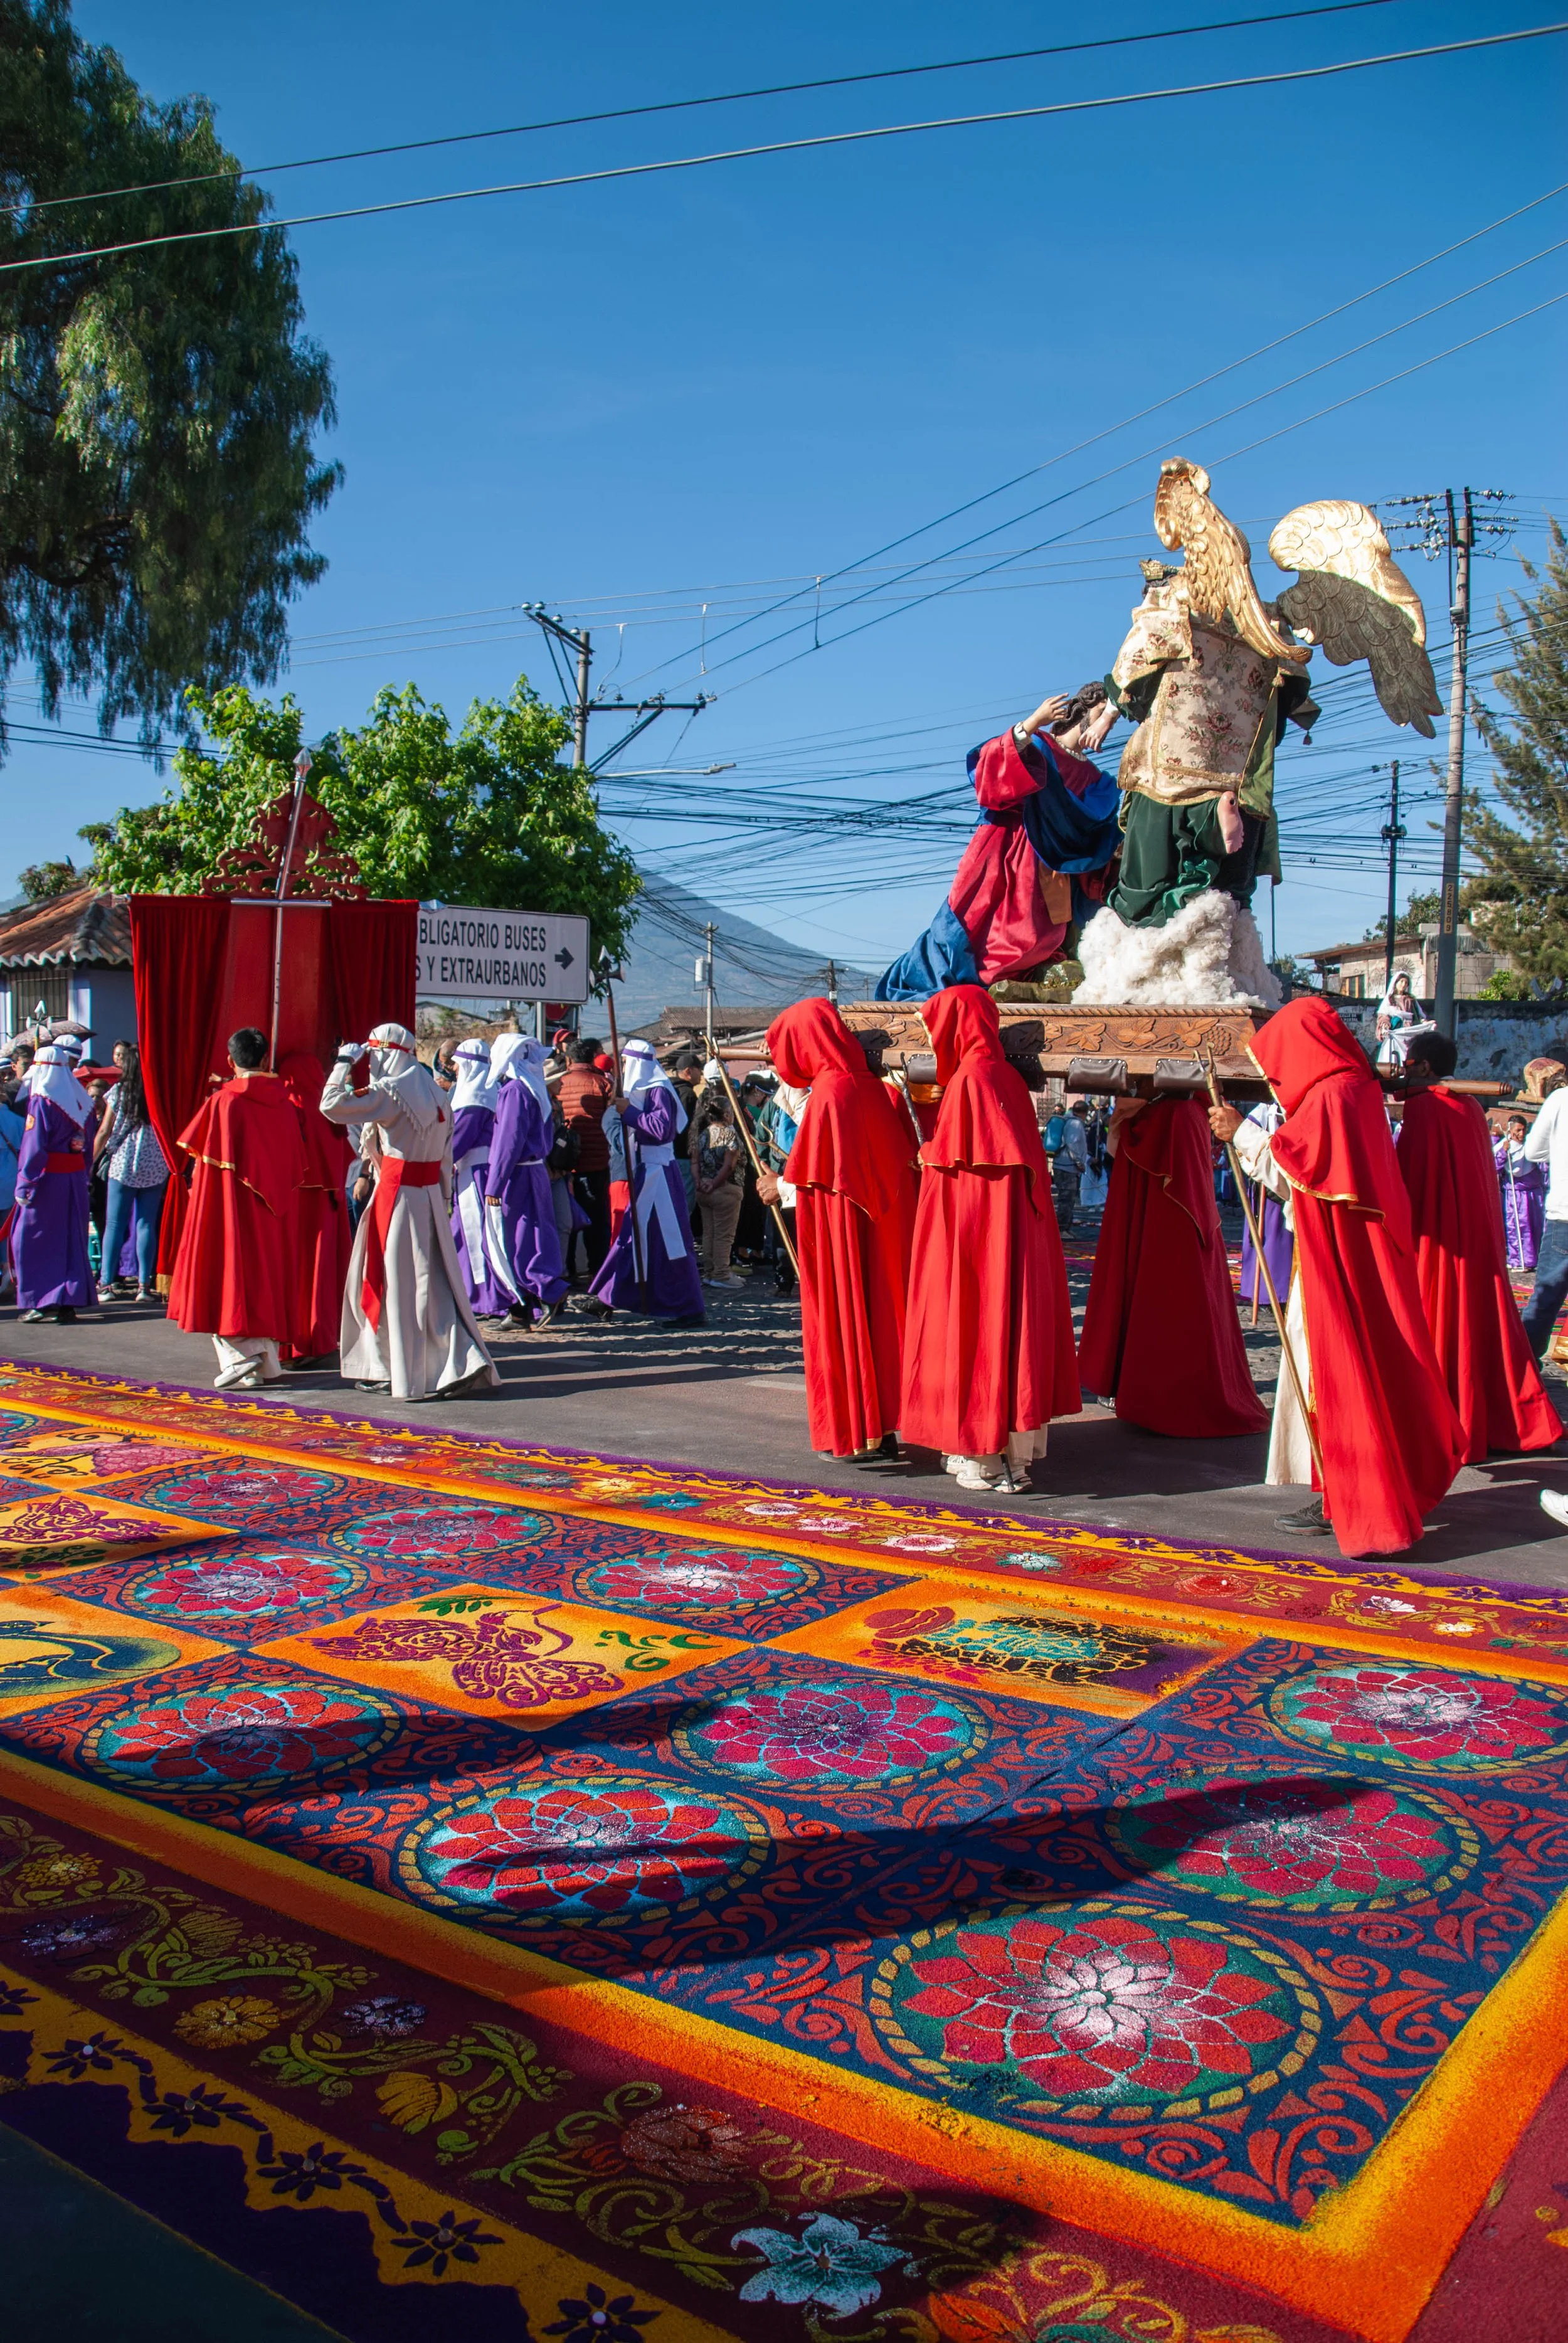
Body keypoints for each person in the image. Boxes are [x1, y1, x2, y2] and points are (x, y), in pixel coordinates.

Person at [1212, 997, 1464, 1556]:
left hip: (1342, 1265)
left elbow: (1304, 1174)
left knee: (1338, 1373)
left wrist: (1242, 1134)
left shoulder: (1334, 1095)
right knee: (1344, 1372)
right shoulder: (1355, 1088)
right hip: (1344, 1256)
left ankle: (1357, 1495)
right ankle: (1340, 1488)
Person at [900, 986, 1080, 1492]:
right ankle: (1005, 1455)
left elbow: (967, 1169)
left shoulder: (971, 1080)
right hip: (1007, 1235)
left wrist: (928, 1153)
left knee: (978, 1328)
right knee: (1005, 1327)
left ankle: (983, 1454)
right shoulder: (1005, 1078)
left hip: (978, 1238)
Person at [758, 998, 919, 1459]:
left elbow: (822, 1179)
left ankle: (857, 1430)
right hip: (879, 1232)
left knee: (845, 1320)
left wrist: (779, 1185)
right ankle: (880, 1425)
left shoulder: (831, 1093)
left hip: (839, 1234)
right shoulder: (871, 1087)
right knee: (876, 1323)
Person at [1394, 1031, 1559, 1464]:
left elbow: (1408, 1185)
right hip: (1476, 1242)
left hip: (1441, 1245)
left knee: (1443, 1328)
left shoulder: (1428, 1108)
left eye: (1408, 1063)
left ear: (1425, 1067)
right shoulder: (1468, 1106)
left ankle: (1450, 1421)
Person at [320, 1023, 499, 1400]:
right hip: (430, 1195)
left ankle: (397, 1370)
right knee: (433, 1287)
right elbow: (445, 1158)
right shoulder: (437, 1092)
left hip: (397, 1195)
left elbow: (332, 1105)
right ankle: (456, 1360)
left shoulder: (390, 1091)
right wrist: (444, 1198)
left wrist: (342, 1063)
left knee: (393, 1285)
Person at [1078, 1092, 1268, 1441]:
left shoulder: (1176, 1114)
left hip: (1176, 1231)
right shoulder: (1180, 1111)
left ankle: (1161, 1395)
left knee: (1171, 1293)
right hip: (1167, 1221)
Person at [166, 1027, 307, 1387]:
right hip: (273, 1210)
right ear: (265, 1059)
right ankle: (265, 1363)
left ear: (231, 1061)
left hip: (227, 1206)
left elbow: (203, 1168)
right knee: (263, 1276)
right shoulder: (287, 1104)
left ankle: (240, 1354)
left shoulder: (222, 1103)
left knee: (225, 1271)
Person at [586, 1039, 704, 1322]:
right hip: (649, 1170)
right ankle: (609, 1297)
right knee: (639, 1237)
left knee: (666, 1242)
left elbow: (662, 1129)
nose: (625, 1068)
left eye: (627, 1062)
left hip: (658, 1173)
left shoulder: (658, 1090)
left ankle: (686, 1306)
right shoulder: (649, 1090)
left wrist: (629, 1112)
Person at [275, 1049, 354, 1365]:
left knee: (298, 1273)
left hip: (298, 1204)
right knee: (323, 1271)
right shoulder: (329, 1109)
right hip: (329, 1202)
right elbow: (347, 1154)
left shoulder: (291, 1106)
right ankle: (321, 1338)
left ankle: (295, 1343)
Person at [485, 1034, 568, 1325]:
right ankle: (521, 1307)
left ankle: (546, 1292)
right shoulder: (533, 1088)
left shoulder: (514, 1092)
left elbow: (508, 1142)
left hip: (517, 1175)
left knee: (516, 1240)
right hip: (534, 1170)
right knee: (533, 1234)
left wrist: (494, 1184)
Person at [10, 1041, 95, 1324]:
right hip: (73, 1180)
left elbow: (35, 1147)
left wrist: (25, 1183)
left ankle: (42, 1300)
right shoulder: (82, 1100)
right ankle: (69, 1299)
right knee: (72, 1238)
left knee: (35, 1240)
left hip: (47, 1181)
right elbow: (88, 1146)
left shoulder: (42, 1101)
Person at [93, 1042, 170, 1305]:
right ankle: (144, 1285)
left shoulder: (120, 1091)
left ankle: (106, 1283)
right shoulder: (159, 1092)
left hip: (124, 1161)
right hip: (155, 1162)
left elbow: (105, 1130)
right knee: (146, 1223)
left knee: (114, 1223)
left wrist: (90, 1161)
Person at [445, 1036, 507, 1319]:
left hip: (475, 1173)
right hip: (476, 1169)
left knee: (473, 1233)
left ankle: (483, 1298)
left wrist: (439, 1161)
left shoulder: (474, 1099)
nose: (455, 1070)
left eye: (457, 1065)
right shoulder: (488, 1090)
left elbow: (460, 1140)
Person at [556, 1039, 613, 1277]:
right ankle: (597, 1271)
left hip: (562, 1165)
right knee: (597, 1222)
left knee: (565, 1221)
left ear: (569, 1060)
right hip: (597, 1163)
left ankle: (567, 1270)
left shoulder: (558, 1084)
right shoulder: (603, 1084)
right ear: (593, 1059)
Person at [1520, 1076, 1568, 1360]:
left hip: (1564, 1214)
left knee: (1547, 1298)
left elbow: (1534, 1152)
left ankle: (1524, 1369)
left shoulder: (1561, 1099)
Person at [694, 1090, 744, 1288]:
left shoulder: (704, 1133)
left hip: (704, 1190)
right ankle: (722, 1274)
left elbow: (695, 1161)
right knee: (724, 1234)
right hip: (725, 1189)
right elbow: (729, 1165)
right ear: (726, 1114)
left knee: (709, 1233)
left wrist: (699, 1182)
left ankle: (710, 1272)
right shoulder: (729, 1133)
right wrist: (715, 1183)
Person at [1496, 1112, 1546, 1272]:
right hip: (1515, 1194)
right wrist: (1504, 1152)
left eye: (1524, 1130)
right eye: (1518, 1130)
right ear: (1510, 1131)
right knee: (1518, 1227)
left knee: (1536, 1226)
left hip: (1533, 1192)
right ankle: (1519, 1259)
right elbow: (1495, 1167)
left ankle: (1535, 1258)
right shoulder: (1504, 1145)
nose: (1521, 1134)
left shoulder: (1530, 1144)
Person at [1050, 1098, 1089, 1233]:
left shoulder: (1067, 1120)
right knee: (1067, 1199)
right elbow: (1072, 1143)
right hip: (1068, 1166)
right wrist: (1079, 1162)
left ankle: (1065, 1228)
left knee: (1066, 1199)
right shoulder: (1075, 1124)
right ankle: (1062, 1229)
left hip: (1062, 1165)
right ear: (1084, 1113)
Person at [1374, 970, 1424, 1068]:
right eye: (1401, 982)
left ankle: (1408, 1071)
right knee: (1394, 1052)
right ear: (1396, 983)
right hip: (1396, 1030)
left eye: (1406, 983)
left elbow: (1418, 1015)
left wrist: (1426, 1023)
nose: (1403, 985)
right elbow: (1384, 1015)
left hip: (1409, 1030)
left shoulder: (1411, 1000)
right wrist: (1385, 1025)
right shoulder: (1389, 1000)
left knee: (1409, 1052)